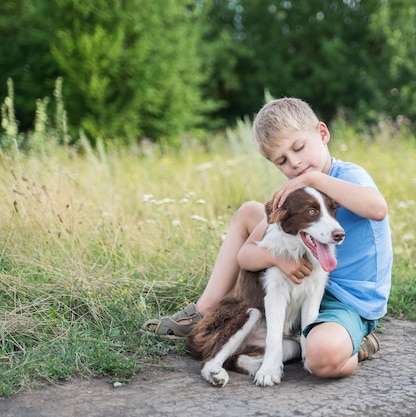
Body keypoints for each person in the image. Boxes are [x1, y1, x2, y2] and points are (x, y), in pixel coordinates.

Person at [141, 97, 392, 378]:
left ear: (322, 134)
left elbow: (377, 208)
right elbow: (245, 256)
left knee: (322, 359)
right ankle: (205, 310)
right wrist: (277, 259)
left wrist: (314, 180)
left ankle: (353, 343)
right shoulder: (292, 193)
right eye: (282, 160)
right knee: (249, 211)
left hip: (346, 299)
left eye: (299, 147)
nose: (295, 163)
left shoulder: (347, 176)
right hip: (304, 289)